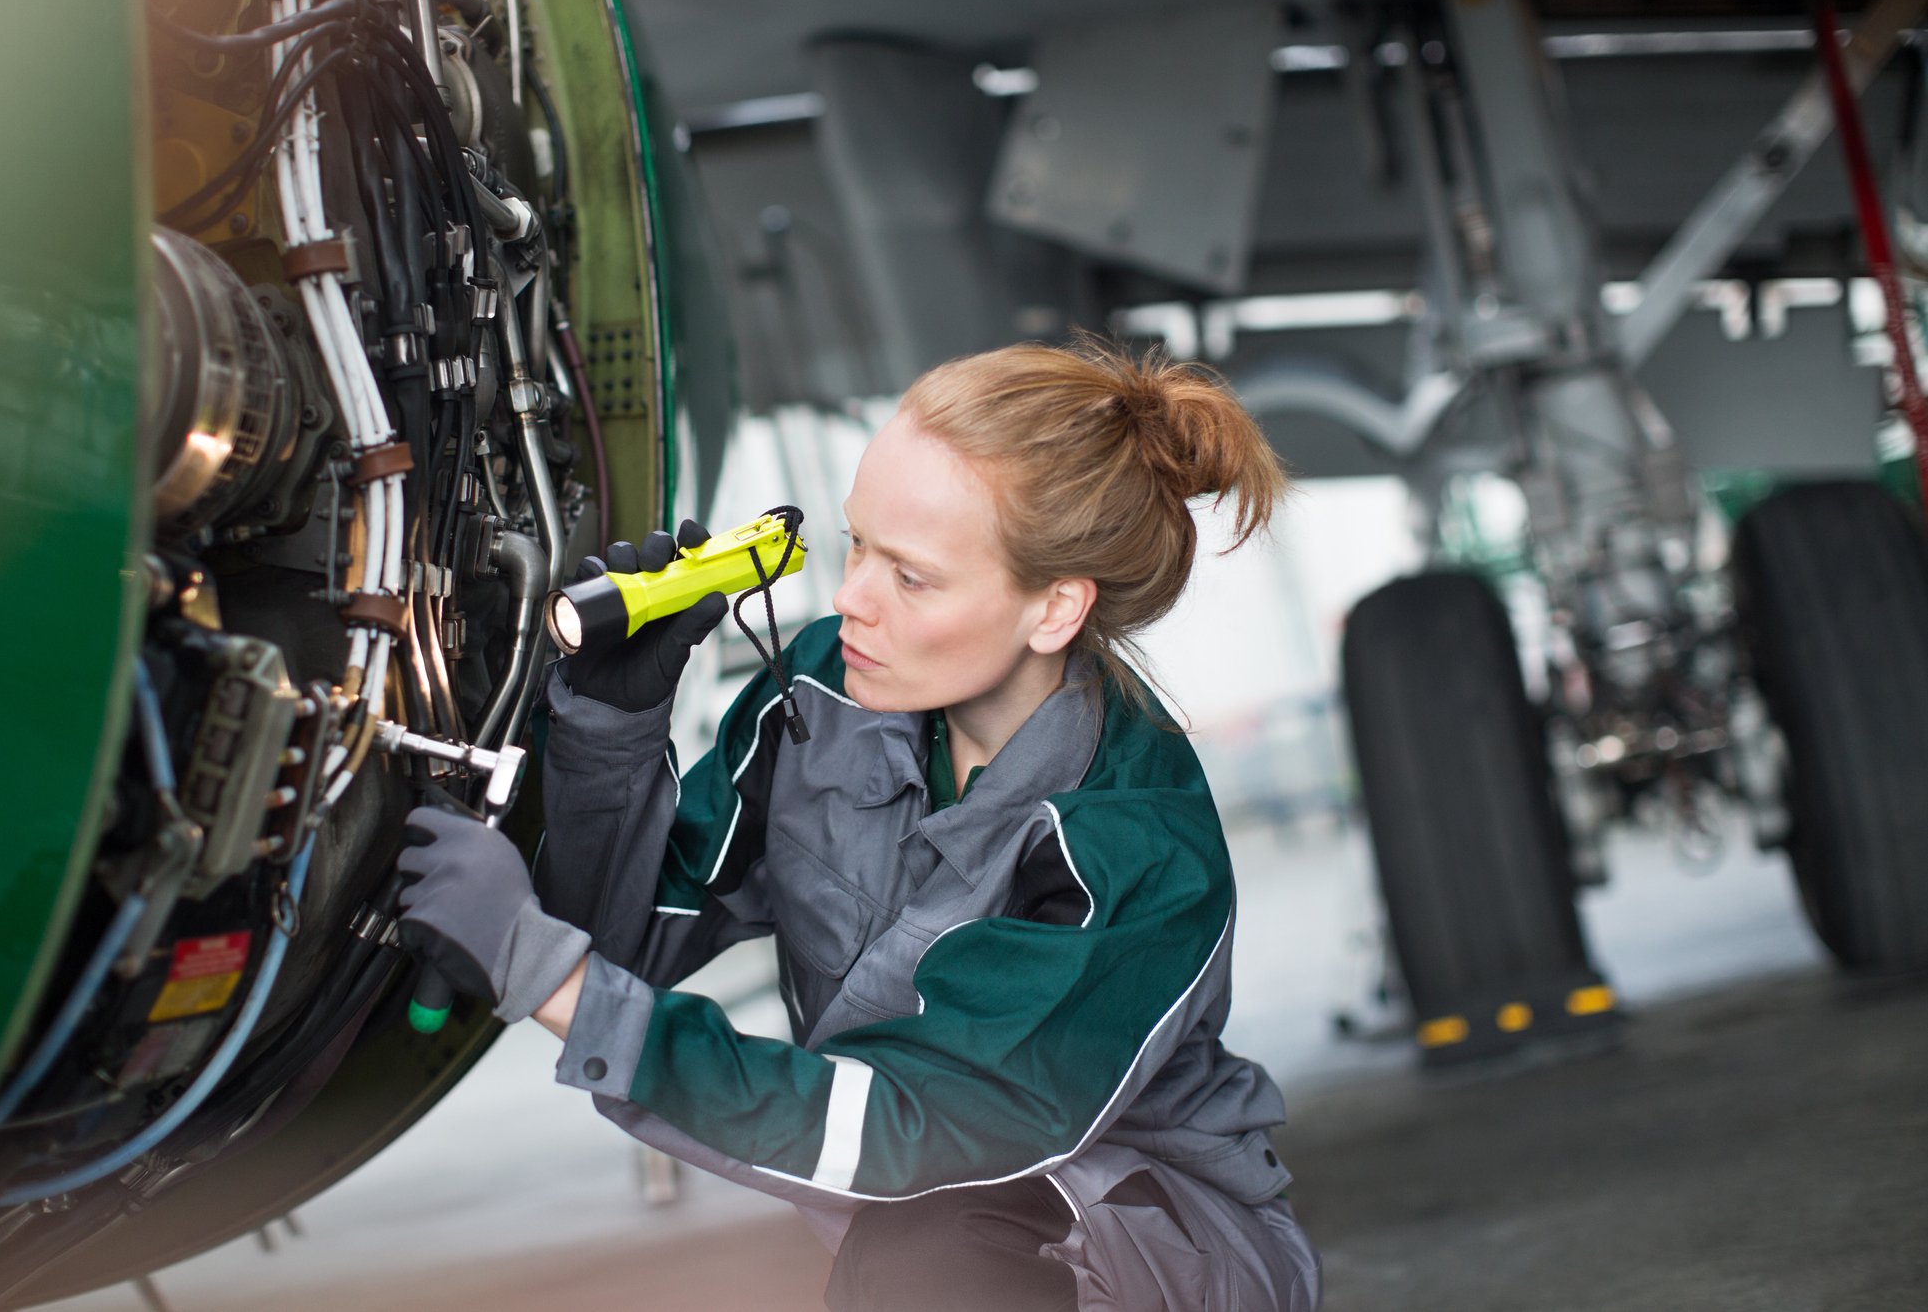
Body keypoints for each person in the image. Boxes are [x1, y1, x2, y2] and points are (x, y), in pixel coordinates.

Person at [395, 338, 1321, 1310]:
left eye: (910, 577)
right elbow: (623, 948)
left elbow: (902, 1132)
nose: (849, 598)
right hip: (921, 1211)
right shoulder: (825, 689)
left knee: (934, 1258)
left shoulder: (1125, 844)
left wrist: (543, 973)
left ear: (1053, 609)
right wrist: (608, 735)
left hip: (1152, 1249)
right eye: (856, 544)